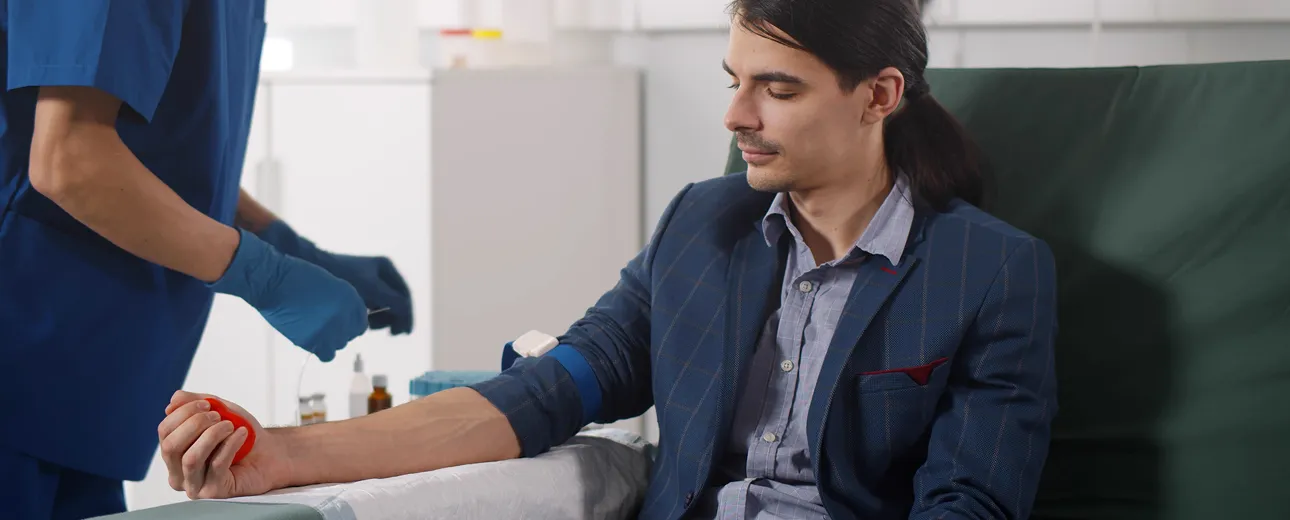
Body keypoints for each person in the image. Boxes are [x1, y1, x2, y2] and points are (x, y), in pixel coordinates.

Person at [160, 0, 1057, 518]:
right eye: (733, 81)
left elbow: (969, 508)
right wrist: (283, 454)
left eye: (776, 89)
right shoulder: (702, 232)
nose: (735, 116)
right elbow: (538, 398)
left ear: (880, 96)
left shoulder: (989, 272)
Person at [0, 2, 413, 519]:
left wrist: (287, 245)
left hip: (86, 390)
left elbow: (168, 141)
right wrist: (268, 275)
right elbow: (68, 158)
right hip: (25, 352)